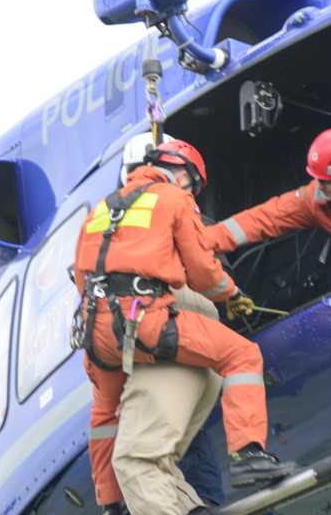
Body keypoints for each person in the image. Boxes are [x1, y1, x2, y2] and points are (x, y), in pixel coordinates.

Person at [74, 138, 297, 515]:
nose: (192, 191)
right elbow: (201, 271)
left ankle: (112, 500)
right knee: (242, 355)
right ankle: (247, 454)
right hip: (145, 319)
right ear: (182, 172)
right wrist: (231, 293)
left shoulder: (100, 211)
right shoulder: (175, 199)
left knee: (106, 412)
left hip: (97, 333)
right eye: (193, 183)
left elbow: (83, 281)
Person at [112, 133, 226, 512]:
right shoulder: (189, 216)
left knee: (137, 460)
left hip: (166, 336)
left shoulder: (118, 226)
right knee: (172, 451)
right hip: (204, 345)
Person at [207, 128, 331, 265]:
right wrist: (205, 240)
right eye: (317, 179)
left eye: (325, 181)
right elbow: (264, 218)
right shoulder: (314, 199)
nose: (319, 186)